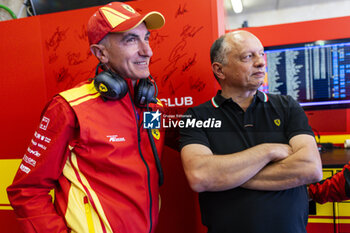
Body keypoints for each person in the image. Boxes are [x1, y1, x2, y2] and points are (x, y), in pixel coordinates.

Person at [7, 2, 165, 233]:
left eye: (147, 38)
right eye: (131, 40)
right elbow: (26, 191)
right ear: (100, 53)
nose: (147, 51)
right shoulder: (69, 108)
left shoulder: (152, 106)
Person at [179, 30, 323, 233]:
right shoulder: (195, 116)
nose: (260, 63)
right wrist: (268, 151)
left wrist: (227, 176)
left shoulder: (286, 106)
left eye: (260, 54)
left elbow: (311, 168)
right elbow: (201, 176)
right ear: (220, 70)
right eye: (248, 56)